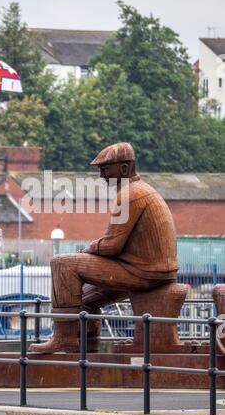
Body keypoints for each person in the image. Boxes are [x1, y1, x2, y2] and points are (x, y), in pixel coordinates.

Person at [29, 142, 178, 354]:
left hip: (143, 270)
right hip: (150, 268)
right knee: (85, 299)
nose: (102, 175)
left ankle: (64, 338)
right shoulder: (140, 191)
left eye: (105, 169)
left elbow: (112, 246)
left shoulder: (130, 194)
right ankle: (88, 344)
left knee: (62, 263)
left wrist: (90, 248)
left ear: (124, 168)